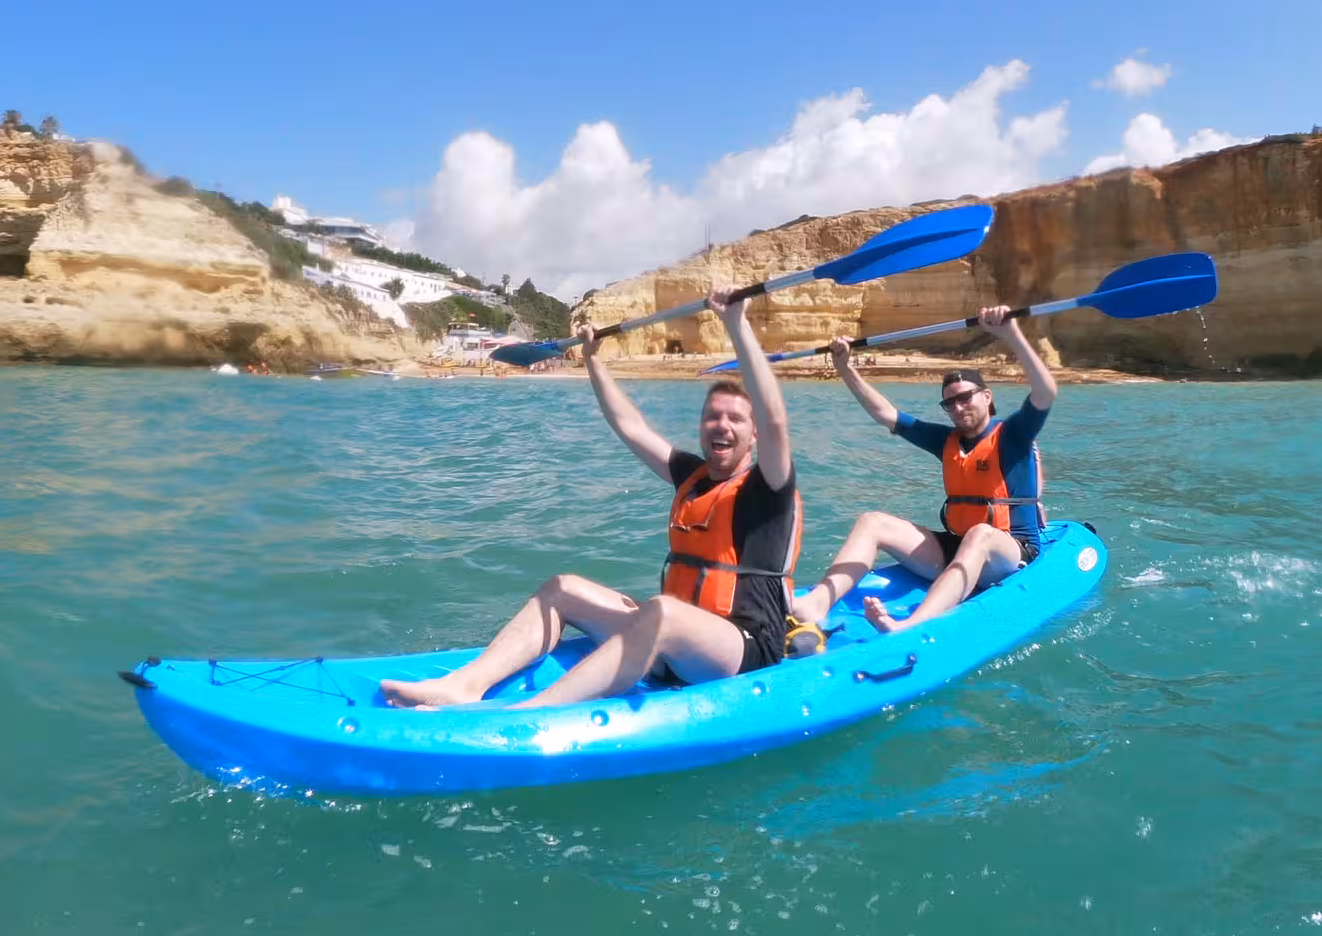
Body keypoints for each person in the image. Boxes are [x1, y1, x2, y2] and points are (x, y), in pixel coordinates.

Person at [380, 289, 802, 710]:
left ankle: (530, 713)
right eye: (712, 415)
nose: (721, 425)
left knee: (662, 612)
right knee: (562, 589)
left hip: (745, 651)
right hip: (676, 648)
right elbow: (629, 426)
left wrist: (735, 323)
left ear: (755, 435)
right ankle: (465, 684)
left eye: (735, 419)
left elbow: (776, 418)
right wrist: (592, 359)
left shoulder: (768, 485)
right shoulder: (691, 476)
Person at [791, 305, 1057, 635]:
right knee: (872, 522)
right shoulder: (945, 440)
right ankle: (817, 602)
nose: (958, 408)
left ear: (987, 397)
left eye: (965, 398)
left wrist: (1010, 333)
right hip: (959, 549)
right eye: (950, 403)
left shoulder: (1013, 435)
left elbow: (1045, 392)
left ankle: (911, 625)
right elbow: (885, 413)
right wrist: (844, 366)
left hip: (1010, 554)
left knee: (981, 534)